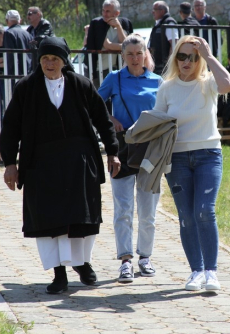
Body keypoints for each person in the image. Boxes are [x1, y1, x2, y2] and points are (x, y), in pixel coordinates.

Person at [0, 36, 121, 294]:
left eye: (55, 59)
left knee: (81, 217)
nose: (50, 63)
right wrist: (10, 163)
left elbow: (103, 120)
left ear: (64, 61)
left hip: (79, 162)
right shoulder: (26, 88)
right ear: (39, 61)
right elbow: (10, 128)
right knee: (49, 220)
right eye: (45, 59)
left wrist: (113, 152)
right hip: (41, 165)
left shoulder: (81, 84)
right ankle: (59, 274)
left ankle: (82, 263)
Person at [153, 35, 230, 291]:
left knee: (204, 211)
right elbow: (158, 122)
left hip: (208, 155)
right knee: (186, 216)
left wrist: (210, 57)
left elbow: (228, 85)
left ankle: (211, 272)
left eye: (193, 57)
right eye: (182, 55)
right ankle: (196, 272)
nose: (187, 61)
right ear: (175, 57)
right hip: (176, 158)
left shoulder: (208, 83)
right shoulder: (166, 87)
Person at [98, 34, 161, 283]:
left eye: (140, 53)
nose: (135, 58)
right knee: (123, 209)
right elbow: (93, 103)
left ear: (146, 54)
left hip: (151, 150)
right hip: (122, 149)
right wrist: (110, 119)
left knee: (148, 211)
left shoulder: (158, 81)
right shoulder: (114, 78)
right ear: (122, 56)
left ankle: (145, 257)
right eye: (130, 54)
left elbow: (168, 112)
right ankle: (125, 260)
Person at [86, 0, 133, 88]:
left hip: (118, 68)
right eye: (103, 10)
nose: (104, 14)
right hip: (99, 69)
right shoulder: (97, 23)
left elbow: (125, 42)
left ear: (117, 13)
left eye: (108, 11)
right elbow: (108, 45)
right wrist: (127, 47)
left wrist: (118, 27)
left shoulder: (124, 23)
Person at [148, 1, 179, 75]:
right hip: (157, 65)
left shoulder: (169, 23)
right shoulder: (159, 23)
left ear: (162, 11)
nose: (152, 12)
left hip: (163, 66)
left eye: (154, 10)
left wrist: (169, 64)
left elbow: (174, 44)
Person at [3, 10, 32, 80]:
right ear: (20, 20)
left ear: (7, 21)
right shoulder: (27, 34)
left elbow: (10, 56)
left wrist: (13, 74)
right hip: (28, 71)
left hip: (16, 74)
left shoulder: (8, 33)